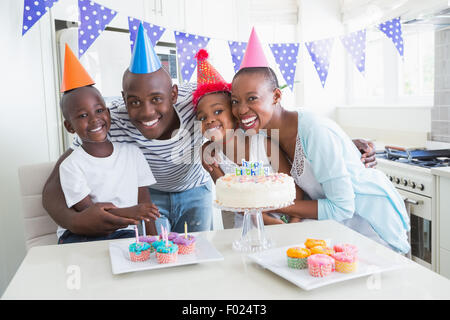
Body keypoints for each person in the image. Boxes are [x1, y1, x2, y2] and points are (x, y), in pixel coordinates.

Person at [228, 28, 410, 253]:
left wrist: (272, 204)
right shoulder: (266, 133)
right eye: (235, 101)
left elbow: (342, 207)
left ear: (276, 96)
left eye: (252, 98)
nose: (241, 109)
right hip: (338, 229)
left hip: (372, 225)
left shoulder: (313, 131)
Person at [42, 23, 212, 237]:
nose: (147, 112)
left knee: (197, 254)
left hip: (195, 189)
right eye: (134, 102)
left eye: (157, 99)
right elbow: (52, 187)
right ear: (124, 99)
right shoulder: (108, 120)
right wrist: (76, 222)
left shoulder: (198, 103)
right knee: (156, 258)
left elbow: (241, 105)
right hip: (149, 196)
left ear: (174, 94)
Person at [55, 44, 160, 244]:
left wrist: (154, 239)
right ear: (69, 127)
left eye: (99, 110)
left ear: (108, 112)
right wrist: (134, 212)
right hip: (82, 235)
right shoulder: (71, 165)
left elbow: (145, 203)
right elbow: (91, 215)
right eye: (83, 115)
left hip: (124, 231)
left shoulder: (132, 153)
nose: (95, 120)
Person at [193, 49, 302, 227]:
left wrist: (292, 226)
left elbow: (293, 190)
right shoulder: (213, 156)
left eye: (218, 111)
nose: (210, 119)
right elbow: (231, 198)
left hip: (285, 223)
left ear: (235, 113)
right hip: (244, 229)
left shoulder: (263, 145)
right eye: (202, 117)